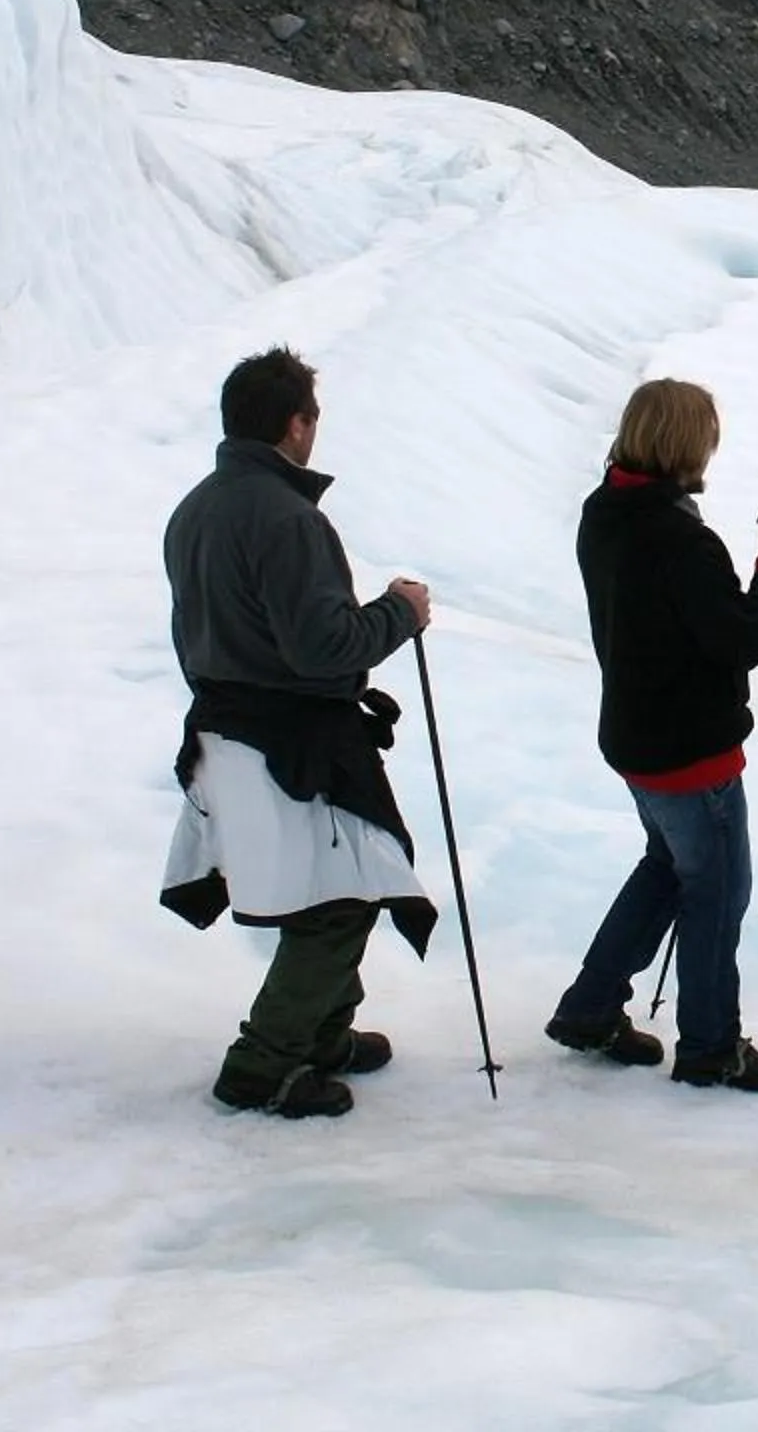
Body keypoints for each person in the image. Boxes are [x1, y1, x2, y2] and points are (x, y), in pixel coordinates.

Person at [158, 346, 436, 1120]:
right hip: (292, 739)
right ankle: (267, 1060)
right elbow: (322, 648)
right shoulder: (287, 517)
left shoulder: (196, 509)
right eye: (313, 418)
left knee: (327, 886)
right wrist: (399, 615)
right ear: (295, 424)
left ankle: (320, 1032)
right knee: (340, 899)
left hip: (226, 728)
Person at [547, 377, 758, 1091]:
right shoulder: (682, 540)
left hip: (635, 741)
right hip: (694, 753)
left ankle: (591, 1008)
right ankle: (711, 1046)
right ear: (688, 446)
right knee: (717, 892)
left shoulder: (603, 513)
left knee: (667, 868)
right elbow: (742, 640)